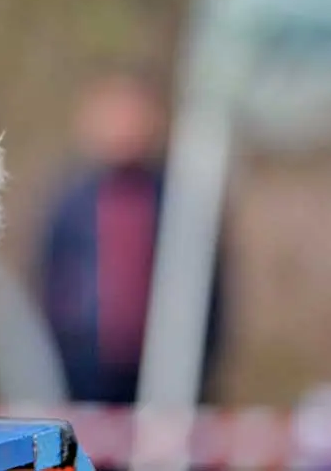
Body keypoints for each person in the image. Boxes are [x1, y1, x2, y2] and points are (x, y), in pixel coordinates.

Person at [35, 71, 228, 411]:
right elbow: (50, 281)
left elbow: (209, 293)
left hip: (165, 370)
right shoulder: (71, 202)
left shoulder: (178, 202)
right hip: (84, 371)